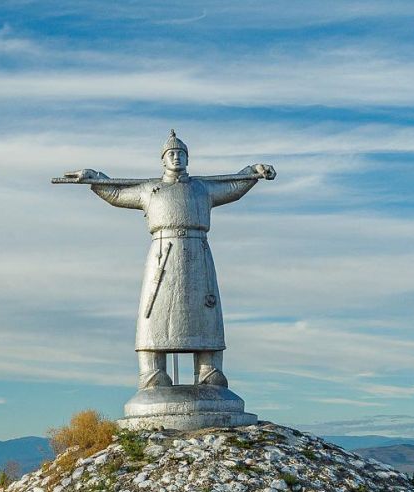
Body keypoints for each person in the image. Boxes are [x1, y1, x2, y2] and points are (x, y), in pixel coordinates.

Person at [63, 131, 275, 389]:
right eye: (171, 154)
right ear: (163, 160)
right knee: (155, 312)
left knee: (204, 310)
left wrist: (253, 171)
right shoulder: (149, 189)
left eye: (181, 154)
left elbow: (233, 186)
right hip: (163, 252)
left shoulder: (202, 188)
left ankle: (209, 372)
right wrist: (95, 179)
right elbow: (117, 194)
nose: (176, 158)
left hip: (197, 254)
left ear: (188, 158)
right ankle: (152, 374)